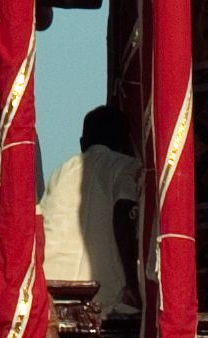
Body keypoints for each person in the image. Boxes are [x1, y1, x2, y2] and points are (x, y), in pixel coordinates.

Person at [40, 103, 138, 315]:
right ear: (126, 142)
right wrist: (133, 284)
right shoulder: (127, 166)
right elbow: (123, 212)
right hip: (103, 298)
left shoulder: (60, 171)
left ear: (82, 143)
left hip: (51, 292)